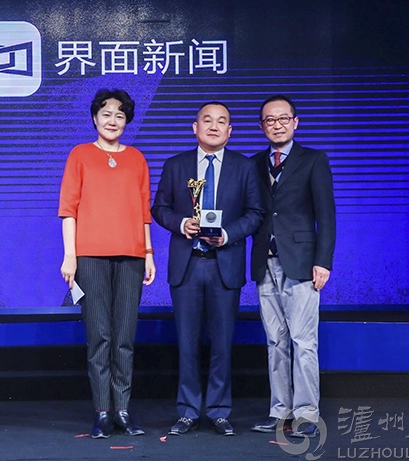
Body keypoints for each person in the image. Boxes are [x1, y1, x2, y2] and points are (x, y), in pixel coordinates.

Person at [152, 102, 263, 436]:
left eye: (222, 121)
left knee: (222, 344)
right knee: (186, 344)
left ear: (230, 131)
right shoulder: (176, 165)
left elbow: (255, 213)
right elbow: (159, 208)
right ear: (195, 127)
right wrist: (181, 223)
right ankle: (187, 411)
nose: (214, 126)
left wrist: (227, 235)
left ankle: (218, 410)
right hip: (186, 266)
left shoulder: (245, 167)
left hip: (224, 265)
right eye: (207, 120)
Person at [58, 88, 156, 439]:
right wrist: (70, 256)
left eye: (120, 115)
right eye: (106, 114)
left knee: (124, 337)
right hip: (90, 257)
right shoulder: (80, 154)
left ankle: (123, 410)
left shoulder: (137, 159)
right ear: (95, 118)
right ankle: (102, 412)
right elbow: (68, 209)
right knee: (99, 335)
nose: (113, 120)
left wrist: (148, 253)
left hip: (131, 257)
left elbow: (144, 211)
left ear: (127, 121)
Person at [250, 95, 336, 438]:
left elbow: (326, 216)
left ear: (295, 122)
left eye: (283, 119)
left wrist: (323, 261)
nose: (277, 125)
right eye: (270, 120)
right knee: (275, 341)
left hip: (302, 262)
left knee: (303, 341)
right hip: (264, 262)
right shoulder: (254, 163)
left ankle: (306, 414)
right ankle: (279, 411)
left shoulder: (313, 159)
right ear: (262, 126)